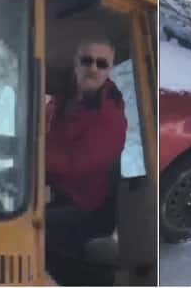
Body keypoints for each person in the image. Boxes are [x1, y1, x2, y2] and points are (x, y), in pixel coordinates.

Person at [44, 37, 127, 283]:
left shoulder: (109, 113)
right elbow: (38, 138)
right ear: (76, 64)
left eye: (101, 64)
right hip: (55, 193)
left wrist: (32, 161)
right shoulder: (59, 102)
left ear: (109, 69)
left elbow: (80, 164)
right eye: (86, 60)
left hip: (88, 206)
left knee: (25, 228)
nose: (93, 68)